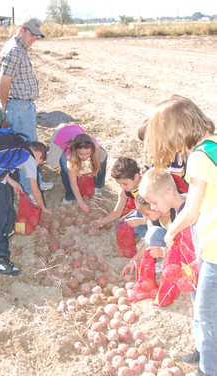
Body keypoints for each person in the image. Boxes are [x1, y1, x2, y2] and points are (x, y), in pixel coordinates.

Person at [143, 94, 217, 376]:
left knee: (207, 315)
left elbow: (191, 212)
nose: (172, 148)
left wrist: (170, 233)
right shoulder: (215, 144)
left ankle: (208, 370)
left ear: (182, 127)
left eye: (168, 139)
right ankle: (203, 354)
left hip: (214, 249)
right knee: (206, 307)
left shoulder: (199, 156)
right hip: (209, 241)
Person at [0, 131, 52, 277]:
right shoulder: (30, 158)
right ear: (38, 155)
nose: (38, 166)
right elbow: (35, 190)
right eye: (40, 163)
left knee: (6, 193)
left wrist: (13, 182)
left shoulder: (17, 146)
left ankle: (7, 229)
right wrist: (43, 208)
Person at [0, 16, 53, 199]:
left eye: (37, 36)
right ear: (21, 30)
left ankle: (35, 182)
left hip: (24, 107)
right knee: (27, 153)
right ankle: (29, 193)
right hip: (19, 108)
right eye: (32, 34)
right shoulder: (14, 50)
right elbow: (3, 83)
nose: (34, 39)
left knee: (32, 148)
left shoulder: (20, 49)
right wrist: (4, 113)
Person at [46, 124, 107, 213]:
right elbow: (73, 181)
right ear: (75, 152)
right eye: (81, 154)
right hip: (61, 134)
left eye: (87, 153)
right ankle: (69, 196)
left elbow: (97, 152)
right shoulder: (70, 155)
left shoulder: (93, 142)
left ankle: (97, 185)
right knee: (66, 169)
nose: (85, 157)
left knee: (103, 156)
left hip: (76, 129)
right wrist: (81, 203)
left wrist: (94, 165)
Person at [122, 193, 176, 276]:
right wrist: (134, 259)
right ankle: (167, 256)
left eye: (146, 214)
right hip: (168, 245)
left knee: (155, 232)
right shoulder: (153, 220)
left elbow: (185, 242)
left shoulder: (176, 215)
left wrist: (163, 251)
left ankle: (170, 259)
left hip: (182, 246)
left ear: (155, 207)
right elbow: (148, 242)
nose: (144, 217)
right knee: (153, 233)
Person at [96, 157, 147, 240]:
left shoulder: (148, 187)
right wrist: (103, 221)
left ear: (136, 176)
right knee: (119, 228)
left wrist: (141, 221)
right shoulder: (124, 190)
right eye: (120, 184)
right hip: (142, 213)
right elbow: (117, 212)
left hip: (157, 216)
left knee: (145, 229)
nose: (122, 187)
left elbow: (161, 215)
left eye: (125, 184)